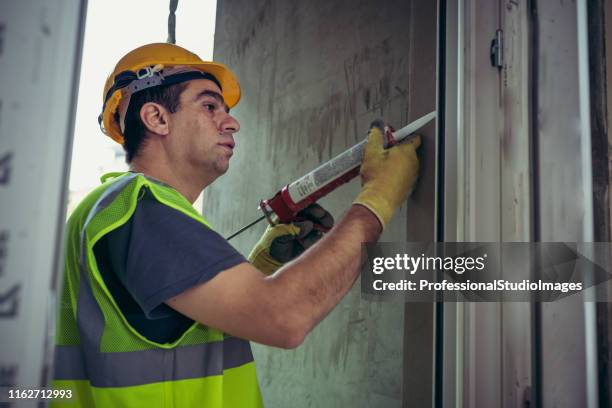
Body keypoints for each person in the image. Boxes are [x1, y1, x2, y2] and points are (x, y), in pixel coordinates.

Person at [51, 43, 421, 407]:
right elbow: (285, 318)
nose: (232, 122)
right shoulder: (138, 207)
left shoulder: (117, 210)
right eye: (210, 106)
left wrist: (261, 266)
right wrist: (377, 198)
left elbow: (173, 334)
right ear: (157, 118)